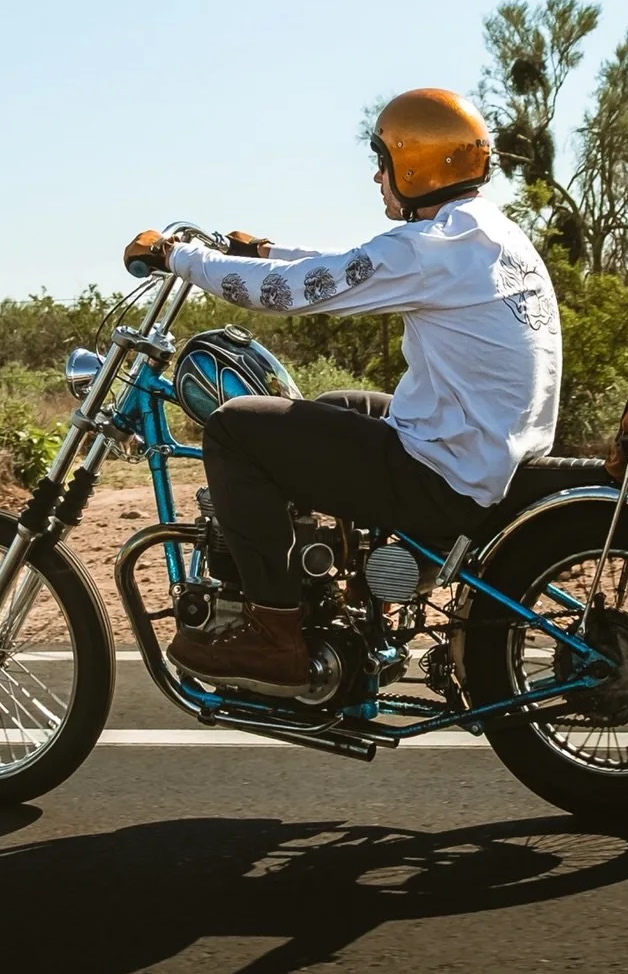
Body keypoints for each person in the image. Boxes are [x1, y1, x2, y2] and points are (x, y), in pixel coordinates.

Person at [122, 88, 561, 697]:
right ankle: (351, 598)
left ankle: (275, 635)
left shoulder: (432, 247)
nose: (378, 175)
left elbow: (290, 291)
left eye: (384, 160)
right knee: (331, 409)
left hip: (448, 472)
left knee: (232, 428)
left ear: (417, 165)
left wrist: (182, 258)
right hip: (489, 448)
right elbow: (357, 262)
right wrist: (266, 251)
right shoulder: (481, 234)